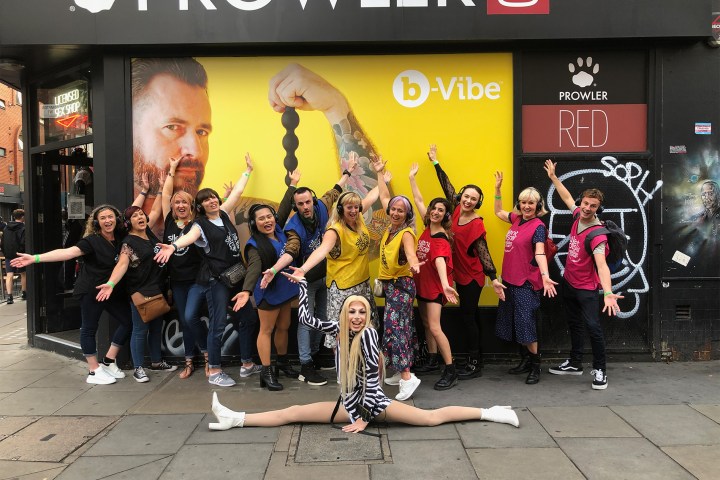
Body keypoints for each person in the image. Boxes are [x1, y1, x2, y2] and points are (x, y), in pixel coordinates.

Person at [207, 276, 519, 432]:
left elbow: (373, 384)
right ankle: (235, 418)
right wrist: (302, 287)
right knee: (293, 412)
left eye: (361, 311)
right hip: (348, 403)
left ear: (367, 315)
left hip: (372, 406)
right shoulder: (339, 329)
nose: (356, 315)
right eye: (351, 310)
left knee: (431, 419)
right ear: (344, 313)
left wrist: (364, 421)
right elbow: (306, 319)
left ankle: (491, 412)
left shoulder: (368, 335)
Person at [155, 154, 254, 387]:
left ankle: (248, 363)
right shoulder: (200, 224)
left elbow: (237, 193)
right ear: (199, 207)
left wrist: (247, 170)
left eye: (214, 198)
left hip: (235, 275)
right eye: (206, 200)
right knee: (217, 323)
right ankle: (216, 370)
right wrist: (173, 246)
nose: (212, 201)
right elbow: (189, 237)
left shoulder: (223, 214)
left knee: (248, 317)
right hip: (216, 280)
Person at [259, 161, 359, 386]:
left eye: (307, 202)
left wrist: (348, 171)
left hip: (326, 276)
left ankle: (314, 355)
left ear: (313, 202)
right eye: (300, 204)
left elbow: (336, 190)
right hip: (305, 280)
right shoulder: (294, 226)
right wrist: (274, 270)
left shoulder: (322, 207)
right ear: (295, 206)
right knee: (306, 321)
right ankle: (305, 364)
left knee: (323, 318)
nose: (305, 206)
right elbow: (291, 249)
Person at [11, 205, 131, 385]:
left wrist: (144, 191)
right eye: (103, 218)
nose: (108, 221)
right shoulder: (91, 241)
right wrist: (35, 258)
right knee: (89, 328)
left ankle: (108, 361)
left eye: (110, 217)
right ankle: (93, 370)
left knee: (128, 322)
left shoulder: (120, 237)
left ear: (116, 218)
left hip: (111, 289)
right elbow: (67, 253)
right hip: (91, 290)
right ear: (97, 222)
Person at [285, 152, 385, 345]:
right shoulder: (335, 229)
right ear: (341, 209)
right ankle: (343, 369)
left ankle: (361, 365)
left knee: (366, 329)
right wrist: (303, 270)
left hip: (362, 283)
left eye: (356, 207)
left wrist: (381, 175)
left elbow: (374, 194)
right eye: (349, 208)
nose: (354, 210)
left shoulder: (358, 216)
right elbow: (322, 250)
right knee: (342, 332)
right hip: (342, 288)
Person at [544, 159, 624, 390]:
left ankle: (600, 370)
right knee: (574, 323)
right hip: (569, 282)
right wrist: (553, 177)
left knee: (593, 327)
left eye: (593, 206)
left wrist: (607, 292)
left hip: (586, 289)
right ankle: (575, 362)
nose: (588, 208)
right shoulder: (578, 215)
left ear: (599, 208)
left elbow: (602, 266)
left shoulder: (598, 235)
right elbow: (567, 197)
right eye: (586, 204)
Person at [431, 145, 504, 379]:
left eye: (473, 199)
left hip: (471, 277)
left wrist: (494, 278)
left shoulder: (476, 223)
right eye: (466, 196)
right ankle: (473, 357)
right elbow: (447, 186)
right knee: (466, 317)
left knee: (468, 317)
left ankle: (475, 361)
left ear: (478, 202)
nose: (469, 200)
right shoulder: (454, 211)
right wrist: (435, 163)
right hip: (456, 273)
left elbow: (484, 253)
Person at [96, 206, 178, 383]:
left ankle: (156, 362)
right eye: (134, 216)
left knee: (157, 328)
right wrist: (111, 283)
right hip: (140, 291)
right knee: (140, 330)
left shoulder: (149, 234)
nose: (140, 217)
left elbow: (156, 210)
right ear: (128, 222)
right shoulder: (128, 243)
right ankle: (138, 367)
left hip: (158, 289)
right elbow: (123, 265)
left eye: (141, 214)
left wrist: (160, 186)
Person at [493, 172, 558, 385]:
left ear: (538, 205)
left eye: (531, 203)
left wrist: (545, 276)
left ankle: (536, 365)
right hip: (509, 281)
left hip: (526, 283)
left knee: (526, 324)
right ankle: (525, 361)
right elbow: (498, 212)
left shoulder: (538, 226)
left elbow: (540, 252)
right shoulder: (517, 219)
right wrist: (498, 190)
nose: (526, 206)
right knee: (515, 322)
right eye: (523, 202)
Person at [231, 203, 300, 392]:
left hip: (285, 289)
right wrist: (246, 291)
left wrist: (292, 185)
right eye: (261, 219)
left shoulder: (279, 230)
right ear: (254, 223)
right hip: (268, 291)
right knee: (266, 330)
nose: (267, 221)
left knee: (284, 326)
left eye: (269, 216)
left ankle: (283, 363)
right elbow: (253, 268)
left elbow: (284, 211)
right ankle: (266, 371)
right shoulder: (254, 245)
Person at [408, 163, 460, 391]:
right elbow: (419, 201)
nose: (436, 212)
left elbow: (440, 261)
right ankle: (431, 358)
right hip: (422, 285)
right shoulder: (428, 226)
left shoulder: (440, 237)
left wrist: (446, 285)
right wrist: (412, 179)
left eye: (441, 210)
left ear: (446, 215)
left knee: (436, 327)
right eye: (434, 209)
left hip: (435, 289)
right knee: (427, 324)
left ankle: (450, 369)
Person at [374, 162, 423, 400]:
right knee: (397, 328)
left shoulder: (405, 233)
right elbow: (384, 196)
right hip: (392, 286)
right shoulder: (390, 228)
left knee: (397, 329)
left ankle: (407, 377)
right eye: (393, 209)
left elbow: (410, 251)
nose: (395, 212)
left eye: (400, 211)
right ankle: (396, 370)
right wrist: (379, 173)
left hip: (401, 285)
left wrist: (414, 263)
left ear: (407, 215)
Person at [3, 209, 26, 304]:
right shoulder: (23, 228)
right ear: (23, 217)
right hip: (19, 254)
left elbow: (3, 242)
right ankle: (24, 293)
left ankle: (9, 296)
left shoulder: (6, 228)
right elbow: (23, 242)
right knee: (23, 273)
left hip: (8, 255)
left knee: (9, 275)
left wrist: (6, 253)